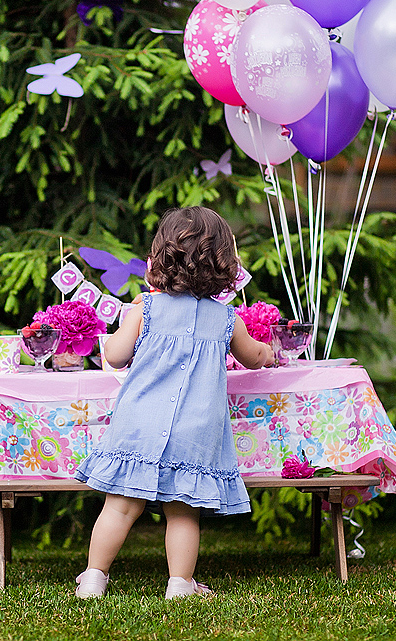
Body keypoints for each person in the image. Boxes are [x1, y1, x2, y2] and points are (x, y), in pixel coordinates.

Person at [72, 206, 274, 600]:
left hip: (139, 423)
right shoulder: (229, 320)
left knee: (119, 508)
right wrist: (269, 352)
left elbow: (114, 355)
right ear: (223, 265)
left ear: (160, 258)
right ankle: (180, 584)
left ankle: (94, 578)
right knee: (183, 512)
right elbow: (253, 357)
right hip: (195, 431)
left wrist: (112, 337)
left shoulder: (144, 308)